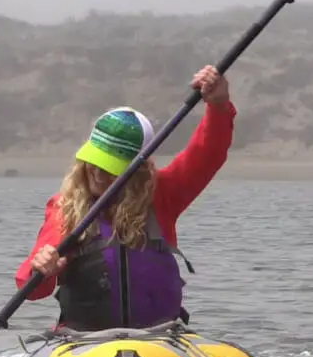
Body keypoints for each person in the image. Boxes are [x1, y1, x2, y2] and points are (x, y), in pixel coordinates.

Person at [14, 65, 235, 332]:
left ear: (138, 170)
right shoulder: (65, 208)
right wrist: (41, 269)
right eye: (94, 160)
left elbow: (207, 154)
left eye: (110, 167)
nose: (96, 171)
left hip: (159, 338)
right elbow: (32, 289)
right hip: (84, 341)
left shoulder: (162, 194)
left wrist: (219, 105)